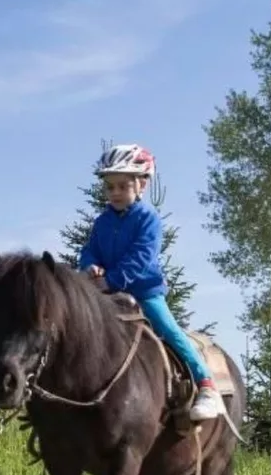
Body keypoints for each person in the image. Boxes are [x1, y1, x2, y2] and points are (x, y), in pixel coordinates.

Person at [75, 143, 223, 421]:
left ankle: (206, 386)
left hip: (144, 292)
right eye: (110, 187)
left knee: (169, 329)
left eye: (122, 186)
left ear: (141, 185)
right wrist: (89, 265)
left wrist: (111, 280)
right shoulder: (102, 221)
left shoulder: (148, 219)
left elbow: (141, 257)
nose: (115, 193)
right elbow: (89, 249)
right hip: (105, 293)